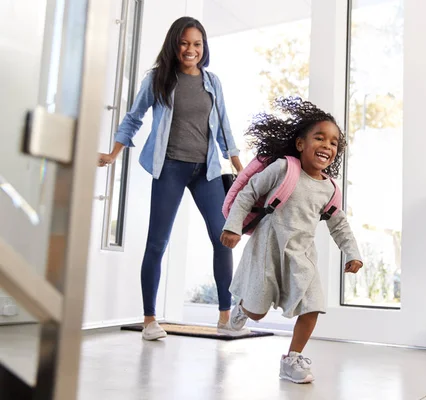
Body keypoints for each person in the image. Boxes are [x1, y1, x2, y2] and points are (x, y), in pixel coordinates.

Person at [98, 17, 244, 340]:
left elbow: (224, 128)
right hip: (170, 167)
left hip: (205, 169)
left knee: (223, 236)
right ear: (174, 44)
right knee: (157, 242)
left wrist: (240, 167)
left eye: (197, 44)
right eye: (185, 43)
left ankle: (224, 316)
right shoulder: (159, 79)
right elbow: (133, 118)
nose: (191, 50)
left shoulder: (212, 82)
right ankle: (150, 320)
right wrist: (113, 154)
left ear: (203, 47)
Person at [220, 97, 363, 384]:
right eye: (319, 138)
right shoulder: (284, 169)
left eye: (334, 142)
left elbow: (339, 223)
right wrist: (234, 226)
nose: (327, 145)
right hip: (267, 250)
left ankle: (292, 358)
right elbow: (248, 192)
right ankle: (242, 308)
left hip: (302, 255)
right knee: (257, 313)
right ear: (300, 144)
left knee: (313, 305)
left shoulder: (330, 189)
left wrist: (352, 252)